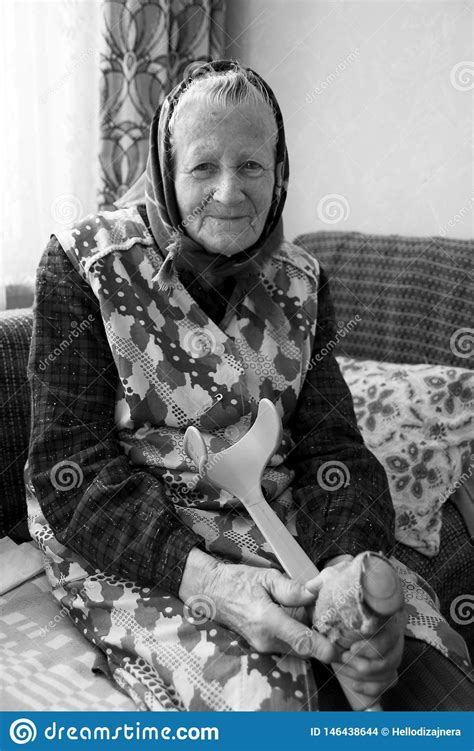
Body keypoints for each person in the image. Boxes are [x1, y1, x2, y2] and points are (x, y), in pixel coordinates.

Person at [26, 59, 473, 711]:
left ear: (280, 171)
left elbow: (333, 451)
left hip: (274, 520)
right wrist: (216, 584)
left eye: (252, 165)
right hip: (141, 541)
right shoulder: (85, 264)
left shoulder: (303, 280)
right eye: (204, 166)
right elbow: (71, 466)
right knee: (275, 706)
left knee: (431, 674)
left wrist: (344, 571)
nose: (231, 192)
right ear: (166, 171)